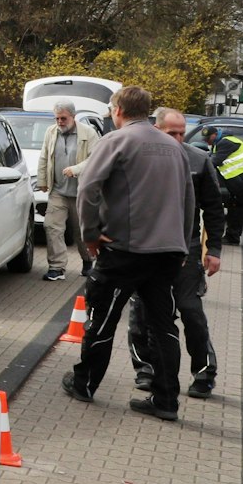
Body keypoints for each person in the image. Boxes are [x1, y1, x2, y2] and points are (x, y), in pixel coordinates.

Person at [60, 85, 195, 421]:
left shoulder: (116, 141)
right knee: (163, 328)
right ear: (147, 111)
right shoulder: (175, 148)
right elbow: (188, 201)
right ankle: (166, 400)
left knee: (101, 320)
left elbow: (88, 188)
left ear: (117, 109)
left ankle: (85, 384)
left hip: (124, 249)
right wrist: (183, 245)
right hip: (166, 252)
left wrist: (90, 234)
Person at [122, 108, 228, 399]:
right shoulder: (140, 159)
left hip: (187, 247)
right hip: (146, 248)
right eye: (173, 134)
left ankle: (204, 372)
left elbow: (214, 209)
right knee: (142, 312)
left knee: (190, 309)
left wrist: (214, 249)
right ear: (157, 130)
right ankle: (146, 369)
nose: (179, 139)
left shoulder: (198, 160)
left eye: (183, 133)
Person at [37, 101, 100, 281]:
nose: (60, 122)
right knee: (52, 227)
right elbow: (44, 157)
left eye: (63, 118)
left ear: (73, 116)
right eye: (57, 118)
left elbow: (95, 159)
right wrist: (43, 181)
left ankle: (88, 262)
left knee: (80, 231)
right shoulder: (51, 132)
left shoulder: (88, 133)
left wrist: (76, 169)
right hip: (58, 191)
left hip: (81, 192)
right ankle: (56, 268)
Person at [199, 125, 243, 245]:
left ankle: (233, 237)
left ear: (214, 135)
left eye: (207, 139)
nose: (206, 141)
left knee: (237, 207)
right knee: (234, 205)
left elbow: (215, 161)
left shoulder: (225, 143)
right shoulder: (220, 142)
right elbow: (212, 157)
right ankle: (232, 236)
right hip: (240, 176)